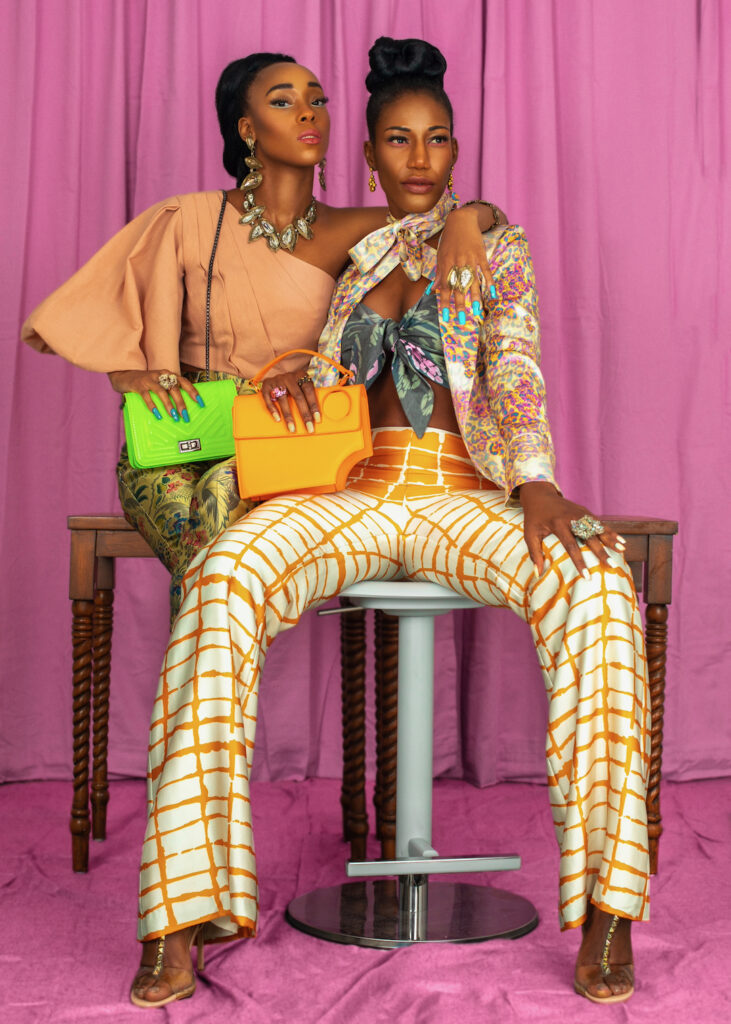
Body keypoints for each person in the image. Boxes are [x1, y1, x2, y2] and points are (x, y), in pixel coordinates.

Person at [128, 35, 649, 1009]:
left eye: (437, 140)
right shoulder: (354, 251)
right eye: (398, 141)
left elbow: (515, 361)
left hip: (463, 490)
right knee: (223, 571)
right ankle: (178, 909)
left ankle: (609, 907)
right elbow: (336, 380)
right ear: (368, 155)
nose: (418, 157)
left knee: (596, 583)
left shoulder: (491, 242)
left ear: (455, 151)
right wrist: (295, 380)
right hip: (351, 489)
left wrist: (534, 482)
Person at [21, 52, 503, 619]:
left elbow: (454, 213)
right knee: (209, 521)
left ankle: (204, 694)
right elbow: (97, 314)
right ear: (248, 129)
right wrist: (130, 371)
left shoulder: (365, 230)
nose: (308, 114)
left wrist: (471, 220)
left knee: (224, 503)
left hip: (283, 441)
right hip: (179, 438)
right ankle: (213, 686)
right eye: (284, 102)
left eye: (317, 101)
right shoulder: (188, 217)